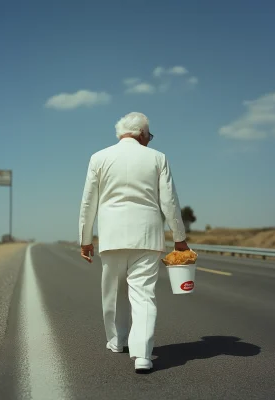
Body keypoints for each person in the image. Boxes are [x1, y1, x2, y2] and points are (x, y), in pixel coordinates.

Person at [78, 112, 189, 372]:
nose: (149, 140)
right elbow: (169, 202)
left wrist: (85, 240)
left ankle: (117, 342)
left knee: (113, 292)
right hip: (148, 237)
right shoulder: (158, 158)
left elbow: (88, 203)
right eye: (149, 136)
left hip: (112, 236)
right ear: (141, 134)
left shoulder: (99, 158)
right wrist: (180, 239)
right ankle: (143, 356)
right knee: (143, 296)